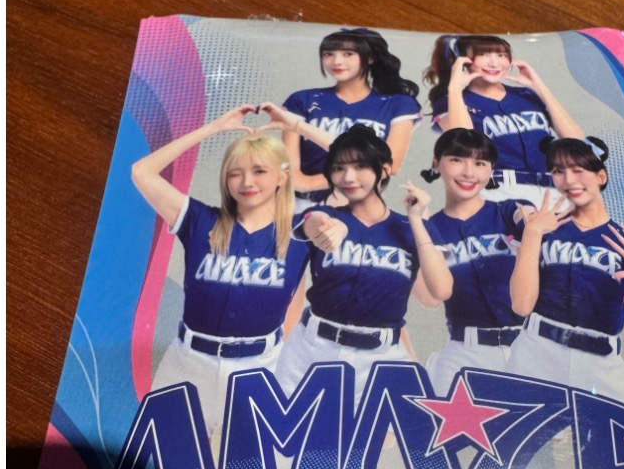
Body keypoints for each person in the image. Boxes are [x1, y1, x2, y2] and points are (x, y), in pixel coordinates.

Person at [129, 104, 311, 439]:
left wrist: (297, 126)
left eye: (259, 171)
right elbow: (142, 172)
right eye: (235, 172)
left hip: (259, 368)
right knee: (162, 465)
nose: (246, 181)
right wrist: (212, 128)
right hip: (188, 364)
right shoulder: (200, 220)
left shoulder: (302, 232)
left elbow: (369, 168)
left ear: (282, 176)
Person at [274, 125, 453, 402]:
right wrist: (332, 229)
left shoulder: (410, 228)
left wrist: (417, 221)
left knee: (388, 429)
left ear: (384, 170)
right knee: (291, 428)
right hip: (312, 350)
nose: (348, 177)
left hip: (382, 358)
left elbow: (437, 294)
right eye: (338, 168)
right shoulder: (324, 214)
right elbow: (313, 223)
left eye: (360, 166)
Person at [508, 136, 624, 406]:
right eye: (558, 171)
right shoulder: (543, 226)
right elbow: (520, 305)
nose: (569, 179)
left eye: (578, 170)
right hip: (537, 353)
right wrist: (532, 231)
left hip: (600, 363)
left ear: (601, 176)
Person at [420, 128, 535, 394]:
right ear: (436, 163)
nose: (468, 172)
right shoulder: (428, 229)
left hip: (530, 348)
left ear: (491, 169)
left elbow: (530, 220)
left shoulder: (508, 212)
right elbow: (430, 298)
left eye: (480, 163)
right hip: (465, 353)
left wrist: (533, 226)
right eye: (457, 159)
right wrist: (418, 226)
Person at [423, 34, 582, 205]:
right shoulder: (451, 102)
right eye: (483, 54)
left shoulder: (526, 95)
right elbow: (464, 144)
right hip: (498, 192)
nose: (494, 63)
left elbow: (577, 143)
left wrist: (540, 87)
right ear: (463, 59)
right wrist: (454, 88)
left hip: (554, 190)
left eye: (501, 55)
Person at [281, 27, 422, 212]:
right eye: (328, 54)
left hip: (361, 207)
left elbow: (390, 165)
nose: (337, 61)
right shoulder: (302, 100)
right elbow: (291, 171)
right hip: (300, 205)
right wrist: (308, 185)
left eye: (348, 54)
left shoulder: (398, 104)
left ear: (370, 57)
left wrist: (318, 183)